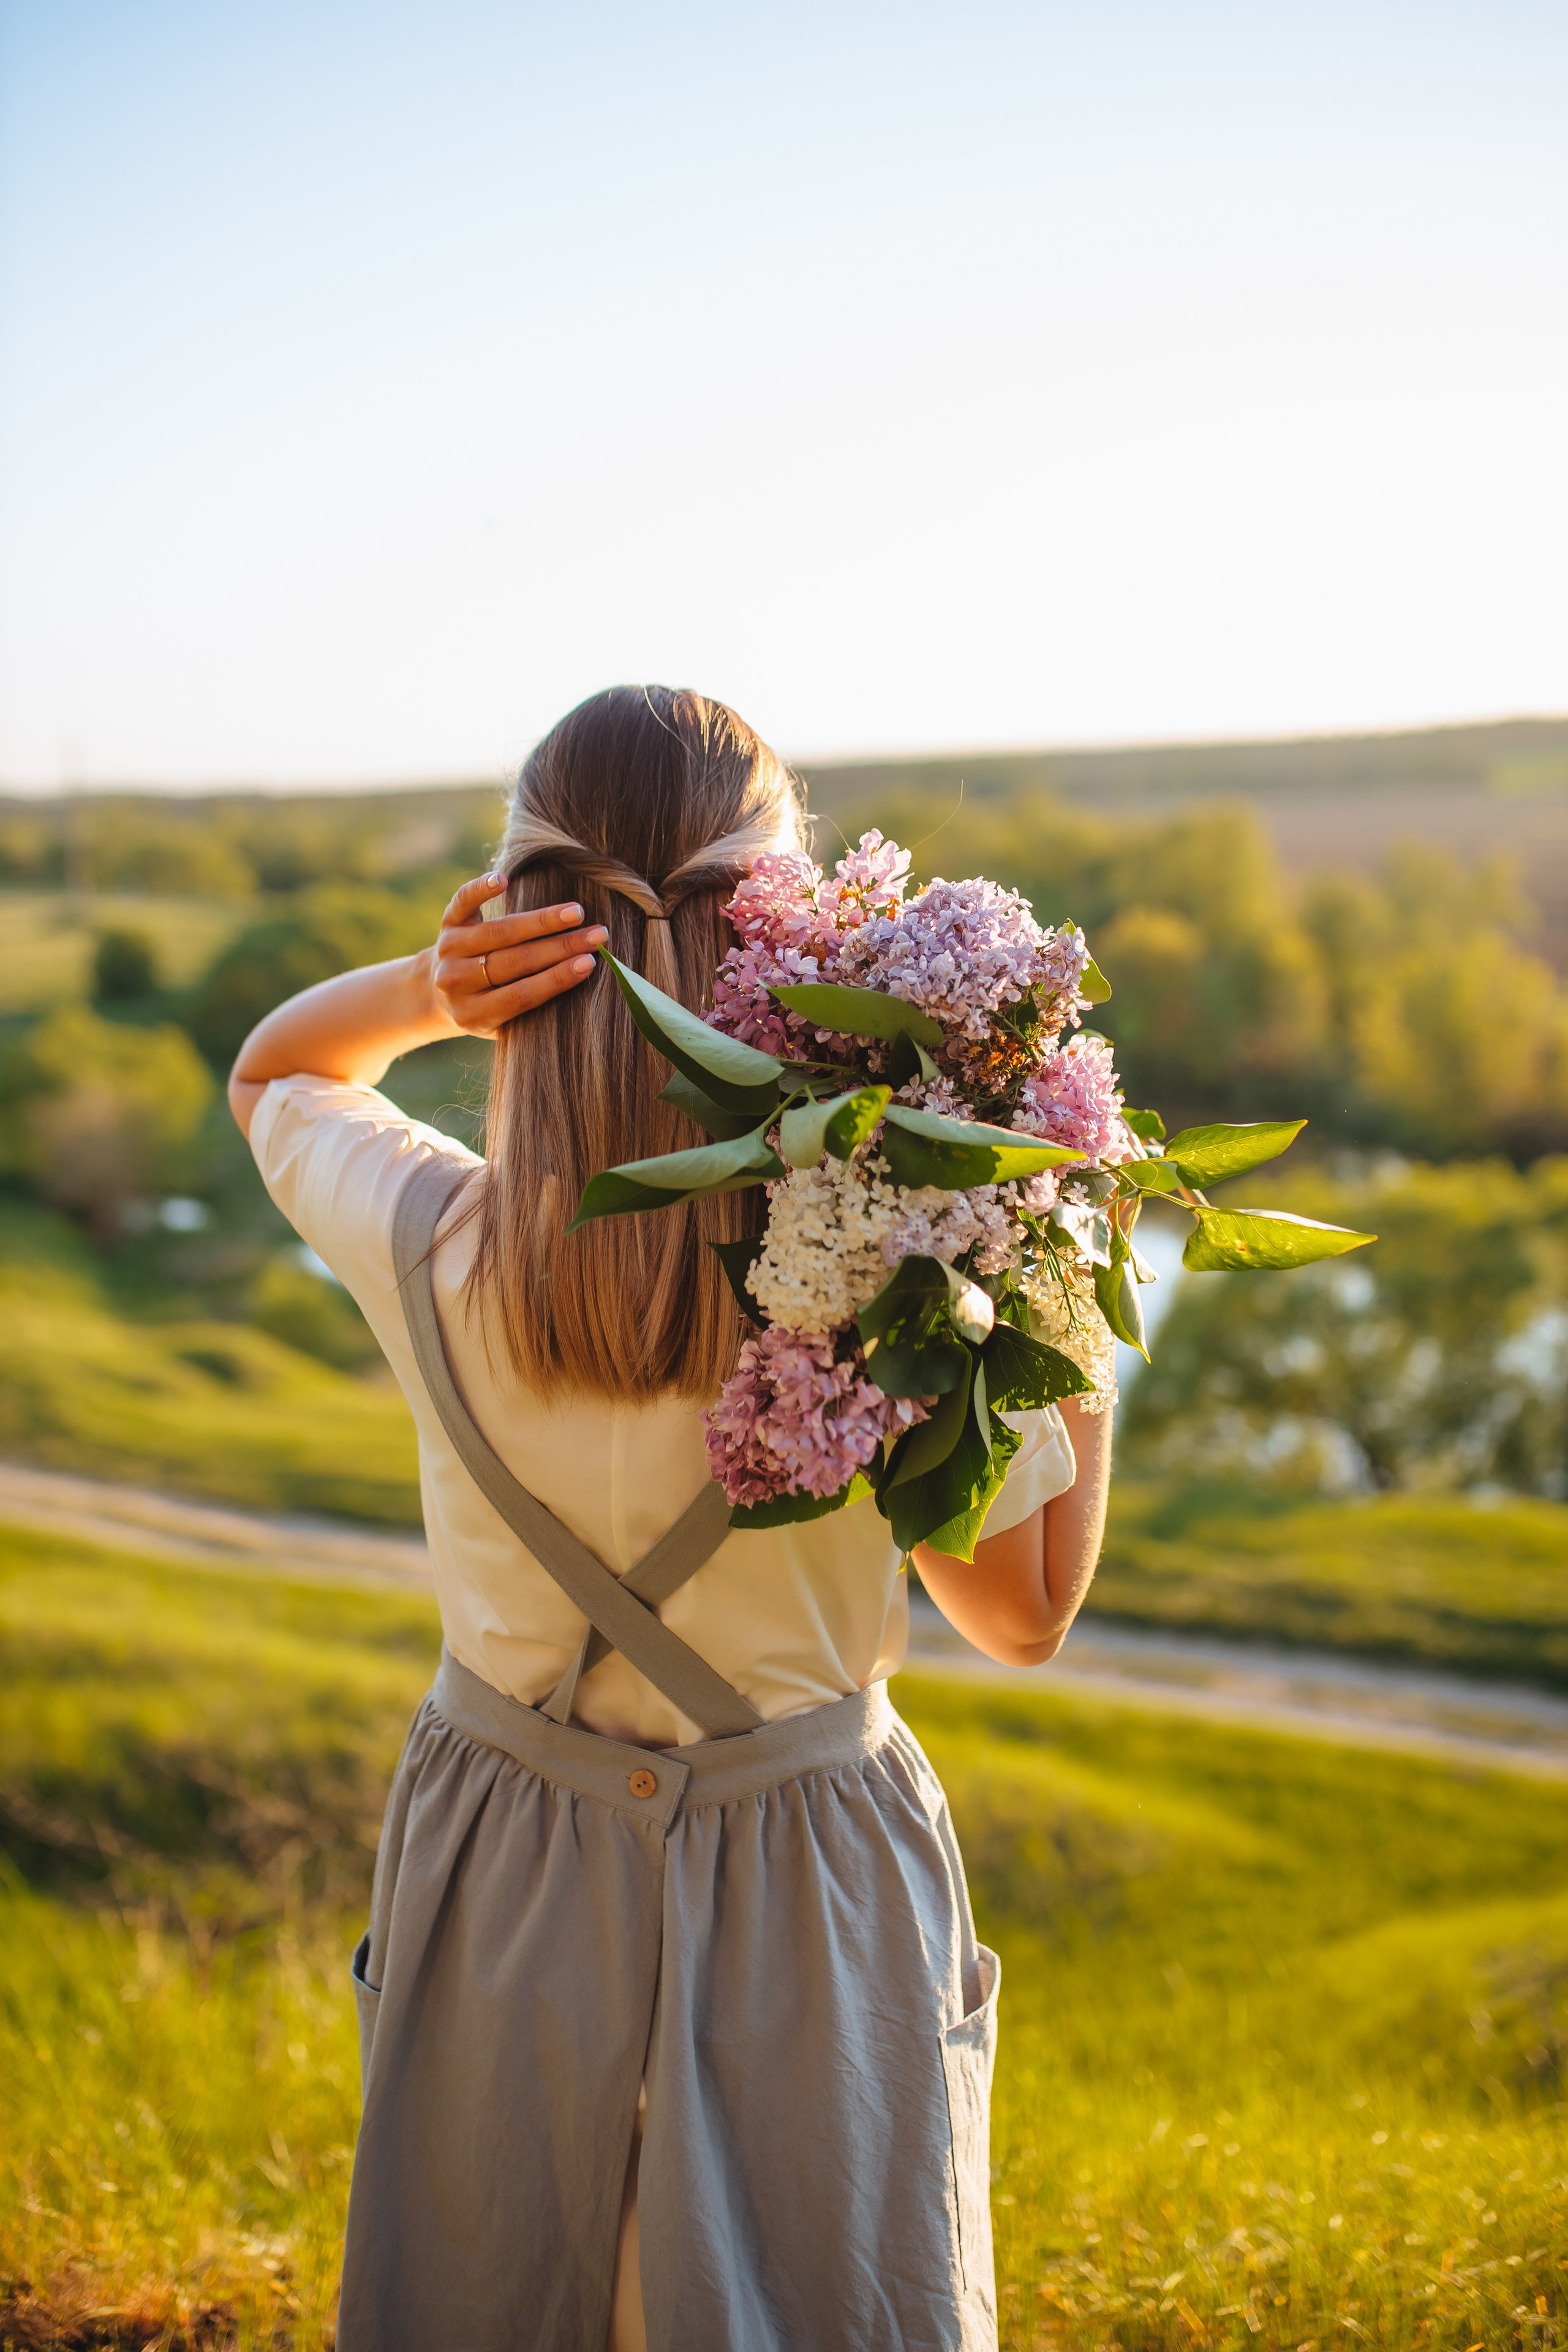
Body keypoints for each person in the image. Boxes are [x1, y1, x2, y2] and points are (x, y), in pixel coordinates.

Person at [228, 685, 1111, 2352]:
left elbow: (278, 1074)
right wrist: (1048, 1253)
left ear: (521, 922)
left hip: (507, 1858)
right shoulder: (898, 1251)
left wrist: (427, 993)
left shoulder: (419, 1234)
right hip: (809, 1880)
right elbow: (1026, 1615)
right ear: (780, 935)